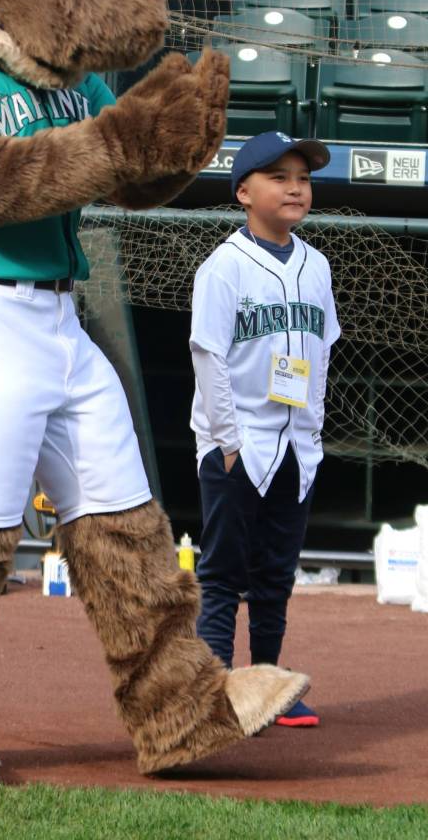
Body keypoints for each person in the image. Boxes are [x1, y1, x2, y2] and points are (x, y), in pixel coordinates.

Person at [189, 130, 341, 727]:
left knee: (276, 576)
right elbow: (208, 353)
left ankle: (271, 687)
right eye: (279, 177)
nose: (295, 187)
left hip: (295, 446)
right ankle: (214, 693)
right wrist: (227, 440)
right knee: (224, 574)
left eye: (302, 178)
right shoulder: (224, 266)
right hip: (238, 442)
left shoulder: (317, 265)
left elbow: (323, 352)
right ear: (244, 192)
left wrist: (316, 433)